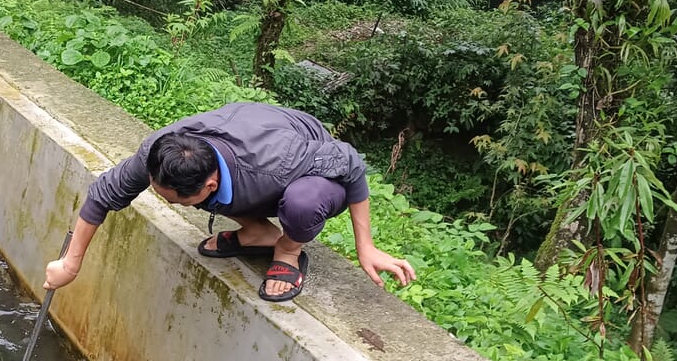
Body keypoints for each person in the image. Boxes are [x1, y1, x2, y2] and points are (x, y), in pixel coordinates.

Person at [43, 102, 415, 301]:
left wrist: (365, 246)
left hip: (305, 167)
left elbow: (349, 161)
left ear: (210, 182)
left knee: (302, 203)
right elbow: (103, 195)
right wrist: (71, 264)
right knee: (224, 194)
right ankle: (255, 234)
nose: (170, 204)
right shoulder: (160, 153)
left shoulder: (277, 162)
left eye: (177, 200)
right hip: (244, 157)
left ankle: (285, 250)